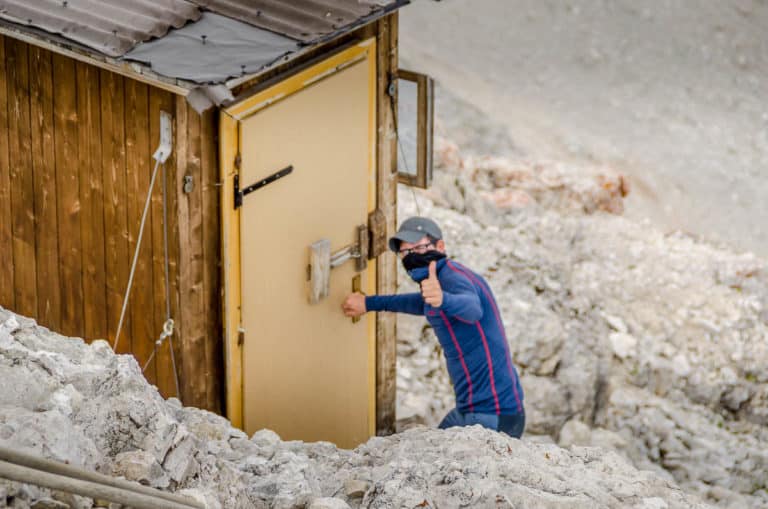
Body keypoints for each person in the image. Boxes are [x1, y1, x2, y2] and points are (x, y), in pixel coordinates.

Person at [342, 216, 525, 438]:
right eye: (405, 252)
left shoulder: (453, 279)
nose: (411, 257)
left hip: (490, 415)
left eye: (419, 247)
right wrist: (368, 303)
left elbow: (472, 309)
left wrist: (443, 299)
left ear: (440, 246)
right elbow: (418, 303)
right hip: (479, 409)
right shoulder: (442, 279)